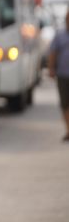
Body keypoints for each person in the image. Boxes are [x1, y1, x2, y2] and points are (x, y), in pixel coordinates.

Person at [47, 8, 69, 141]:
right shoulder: (60, 36)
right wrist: (51, 69)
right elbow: (52, 53)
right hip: (63, 75)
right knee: (65, 104)